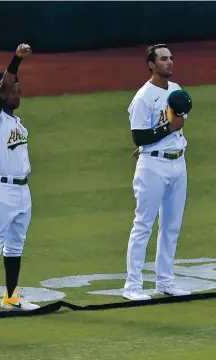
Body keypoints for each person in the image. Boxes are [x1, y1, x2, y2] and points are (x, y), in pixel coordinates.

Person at [0, 43, 40, 315]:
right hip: (0, 189)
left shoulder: (16, 123)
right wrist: (16, 60)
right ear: (1, 91)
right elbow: (4, 86)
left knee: (15, 244)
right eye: (14, 88)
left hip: (22, 191)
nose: (18, 90)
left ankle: (11, 296)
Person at [123, 44, 192, 301]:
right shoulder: (143, 97)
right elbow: (138, 136)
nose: (170, 62)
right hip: (153, 166)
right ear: (151, 64)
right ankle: (132, 285)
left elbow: (175, 126)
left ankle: (165, 281)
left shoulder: (175, 90)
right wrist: (168, 130)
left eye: (171, 58)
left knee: (171, 226)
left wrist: (168, 133)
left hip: (178, 163)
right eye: (164, 59)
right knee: (143, 225)